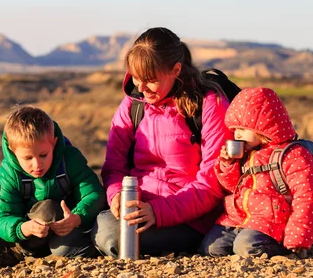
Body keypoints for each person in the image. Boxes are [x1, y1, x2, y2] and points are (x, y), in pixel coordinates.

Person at [91, 27, 233, 257]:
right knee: (93, 229)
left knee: (110, 236)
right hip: (137, 208)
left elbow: (213, 183)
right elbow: (114, 167)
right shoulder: (133, 105)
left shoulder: (208, 104)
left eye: (150, 80)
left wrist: (158, 212)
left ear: (176, 70)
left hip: (190, 218)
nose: (141, 88)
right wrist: (116, 195)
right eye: (136, 78)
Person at [0, 105, 105, 276]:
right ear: (13, 152)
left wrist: (78, 216)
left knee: (47, 209)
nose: (37, 164)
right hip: (24, 229)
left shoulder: (70, 159)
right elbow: (2, 216)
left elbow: (94, 193)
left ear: (54, 143)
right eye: (28, 158)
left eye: (43, 155)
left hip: (63, 230)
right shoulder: (9, 171)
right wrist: (23, 228)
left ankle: (18, 252)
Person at [199, 87, 313, 257]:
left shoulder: (292, 155)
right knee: (212, 248)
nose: (237, 135)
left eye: (242, 129)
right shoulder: (246, 152)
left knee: (246, 247)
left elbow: (307, 196)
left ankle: (282, 246)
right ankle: (243, 239)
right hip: (239, 218)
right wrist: (228, 164)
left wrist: (297, 237)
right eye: (235, 130)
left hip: (273, 223)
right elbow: (232, 187)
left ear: (263, 125)